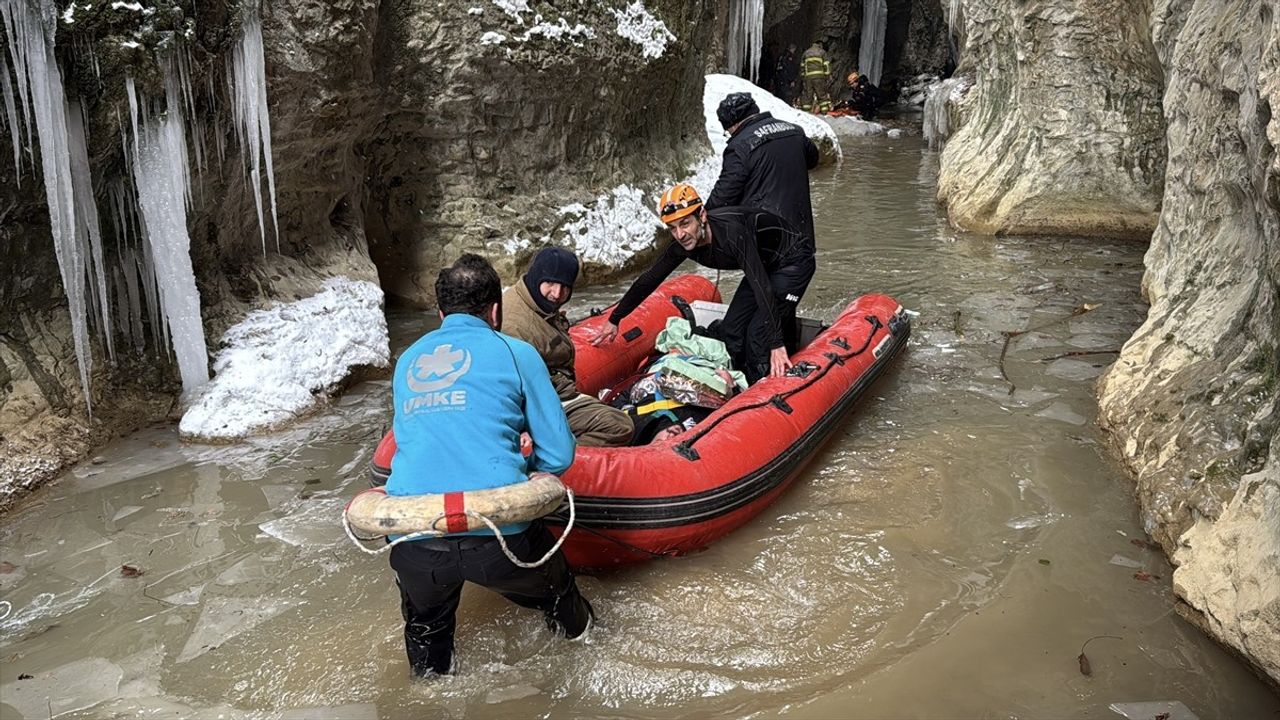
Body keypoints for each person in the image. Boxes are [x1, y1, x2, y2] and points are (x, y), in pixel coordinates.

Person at [385, 253, 592, 678]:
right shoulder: (517, 353)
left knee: (427, 632)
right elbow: (560, 456)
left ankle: (427, 690)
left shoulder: (407, 361)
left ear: (440, 312)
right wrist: (526, 456)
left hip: (413, 538)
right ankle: (581, 650)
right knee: (562, 600)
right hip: (499, 538)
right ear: (495, 311)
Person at [592, 184, 815, 384]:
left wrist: (776, 344)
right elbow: (649, 279)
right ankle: (737, 379)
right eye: (672, 227)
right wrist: (615, 318)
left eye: (685, 223)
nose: (680, 234)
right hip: (763, 263)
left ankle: (760, 384)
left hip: (793, 260)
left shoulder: (731, 233)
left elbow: (761, 286)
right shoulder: (682, 245)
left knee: (758, 335)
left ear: (702, 215)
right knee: (731, 330)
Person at [502, 247, 634, 446]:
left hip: (551, 390)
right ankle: (555, 457)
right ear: (537, 277)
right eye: (550, 283)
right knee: (619, 426)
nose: (557, 293)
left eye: (564, 287)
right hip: (538, 402)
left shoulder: (535, 301)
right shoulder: (515, 325)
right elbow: (514, 389)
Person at [706, 92, 820, 243]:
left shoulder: (740, 146)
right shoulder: (795, 131)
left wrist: (704, 216)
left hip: (767, 236)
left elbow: (725, 194)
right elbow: (813, 160)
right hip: (801, 232)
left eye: (728, 131)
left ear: (733, 124)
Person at [800, 40, 832, 113]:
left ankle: (805, 113)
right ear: (820, 45)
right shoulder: (822, 52)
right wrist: (827, 75)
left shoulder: (806, 52)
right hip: (819, 77)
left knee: (808, 96)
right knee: (822, 96)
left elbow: (802, 66)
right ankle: (825, 113)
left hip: (808, 78)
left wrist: (803, 77)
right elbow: (826, 65)